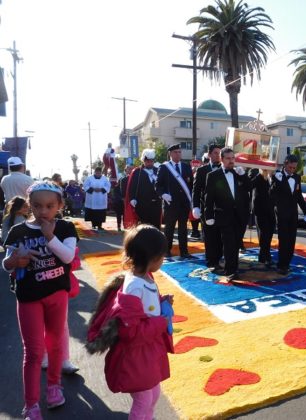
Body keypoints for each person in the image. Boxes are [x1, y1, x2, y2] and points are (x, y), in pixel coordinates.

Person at [2, 181, 79, 418]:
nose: (43, 211)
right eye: (37, 206)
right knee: (34, 352)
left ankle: (54, 387)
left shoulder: (65, 228)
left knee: (55, 345)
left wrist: (49, 236)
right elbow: (6, 263)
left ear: (60, 205)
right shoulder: (18, 231)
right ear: (29, 205)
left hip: (57, 295)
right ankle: (31, 403)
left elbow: (67, 258)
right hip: (29, 298)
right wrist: (14, 261)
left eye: (49, 206)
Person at [86, 224, 173, 419]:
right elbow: (130, 331)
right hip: (136, 355)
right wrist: (161, 322)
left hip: (148, 350)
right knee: (143, 400)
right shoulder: (134, 287)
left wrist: (161, 302)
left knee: (153, 395)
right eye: (162, 256)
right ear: (152, 258)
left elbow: (145, 308)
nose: (163, 259)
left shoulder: (145, 276)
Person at [204, 148, 251, 281]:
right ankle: (231, 270)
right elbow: (209, 197)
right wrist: (208, 215)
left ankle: (233, 267)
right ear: (222, 159)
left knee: (236, 243)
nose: (231, 161)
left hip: (240, 216)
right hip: (224, 215)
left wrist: (243, 176)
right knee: (229, 243)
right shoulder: (213, 176)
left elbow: (249, 187)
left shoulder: (238, 173)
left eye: (233, 158)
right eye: (228, 158)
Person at [270, 154, 306, 275]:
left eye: (294, 168)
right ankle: (281, 265)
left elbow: (298, 196)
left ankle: (287, 264)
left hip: (293, 213)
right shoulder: (277, 175)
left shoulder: (297, 177)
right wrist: (277, 180)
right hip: (281, 212)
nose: (292, 170)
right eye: (291, 167)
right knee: (283, 240)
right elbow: (271, 194)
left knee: (292, 240)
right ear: (285, 164)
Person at [156, 144, 194, 259]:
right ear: (170, 154)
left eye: (179, 152)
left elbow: (191, 185)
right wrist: (163, 194)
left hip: (183, 204)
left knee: (183, 229)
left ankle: (184, 251)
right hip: (170, 203)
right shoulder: (164, 167)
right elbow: (158, 185)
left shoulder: (186, 167)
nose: (178, 154)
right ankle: (167, 251)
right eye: (176, 152)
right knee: (169, 229)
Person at [192, 144, 223, 269]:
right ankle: (211, 261)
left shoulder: (225, 169)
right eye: (216, 153)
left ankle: (219, 257)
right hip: (206, 209)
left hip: (222, 209)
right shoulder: (202, 170)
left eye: (220, 153)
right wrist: (195, 206)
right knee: (209, 236)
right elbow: (196, 190)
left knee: (220, 236)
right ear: (209, 154)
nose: (218, 156)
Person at [127, 149, 162, 229]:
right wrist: (132, 198)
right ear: (143, 161)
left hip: (156, 204)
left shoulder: (158, 171)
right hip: (142, 204)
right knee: (144, 227)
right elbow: (132, 186)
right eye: (148, 161)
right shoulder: (137, 172)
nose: (150, 163)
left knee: (156, 227)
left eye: (151, 161)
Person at [251, 169, 276, 265]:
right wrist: (260, 175)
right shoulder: (257, 175)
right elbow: (250, 185)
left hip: (271, 208)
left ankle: (264, 255)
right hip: (260, 209)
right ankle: (265, 256)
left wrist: (273, 176)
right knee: (263, 233)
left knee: (270, 232)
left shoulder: (275, 176)